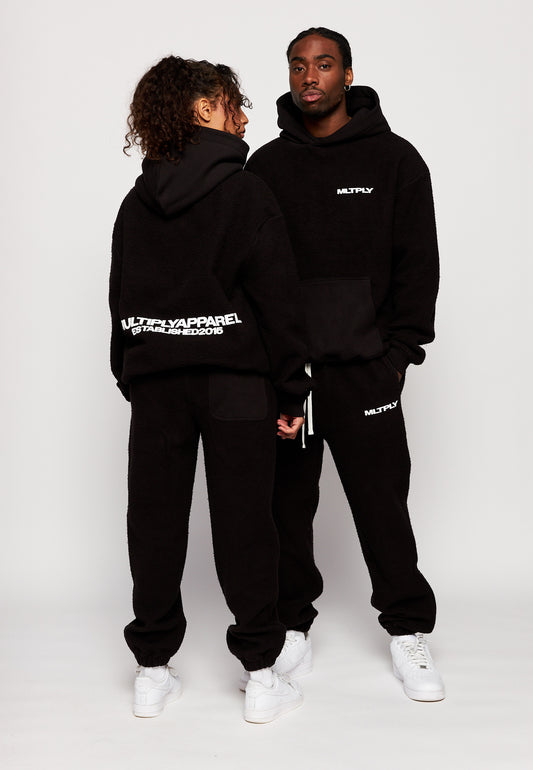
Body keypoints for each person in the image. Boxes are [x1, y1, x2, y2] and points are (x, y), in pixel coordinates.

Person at [109, 55, 311, 723]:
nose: (244, 117)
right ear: (203, 109)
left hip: (158, 386)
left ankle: (150, 671)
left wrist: (134, 373)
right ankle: (260, 676)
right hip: (236, 383)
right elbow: (278, 303)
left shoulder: (138, 200)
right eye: (233, 103)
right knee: (246, 524)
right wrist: (292, 392)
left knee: (154, 523)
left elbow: (121, 298)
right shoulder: (247, 194)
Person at [246, 27, 445, 701]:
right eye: (298, 65)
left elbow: (418, 265)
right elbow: (248, 271)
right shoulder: (266, 166)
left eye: (324, 64)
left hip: (365, 371)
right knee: (285, 507)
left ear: (348, 75)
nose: (310, 76)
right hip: (290, 378)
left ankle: (407, 629)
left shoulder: (395, 160)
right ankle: (290, 626)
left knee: (382, 504)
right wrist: (269, 364)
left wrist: (397, 357)